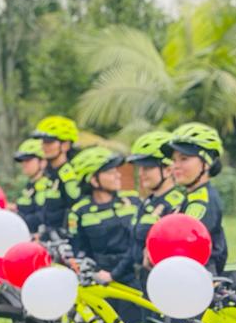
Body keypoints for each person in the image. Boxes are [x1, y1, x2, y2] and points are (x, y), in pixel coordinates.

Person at [115, 130, 184, 289]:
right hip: (142, 282)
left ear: (167, 170)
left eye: (147, 168)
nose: (141, 174)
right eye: (140, 168)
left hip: (165, 285)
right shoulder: (146, 202)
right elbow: (133, 247)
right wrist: (113, 274)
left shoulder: (176, 204)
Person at [66, 146, 139, 288]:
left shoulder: (133, 201)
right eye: (111, 172)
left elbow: (137, 243)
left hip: (132, 277)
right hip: (99, 280)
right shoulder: (79, 211)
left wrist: (116, 273)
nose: (118, 175)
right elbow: (78, 249)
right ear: (93, 180)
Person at [161, 122, 228, 274]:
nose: (175, 166)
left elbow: (185, 244)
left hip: (195, 280)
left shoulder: (202, 200)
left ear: (206, 163)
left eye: (184, 159)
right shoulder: (192, 196)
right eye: (174, 160)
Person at [31, 115, 80, 237]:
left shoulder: (69, 174)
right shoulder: (48, 173)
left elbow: (75, 207)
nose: (44, 146)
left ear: (65, 145)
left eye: (49, 142)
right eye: (43, 142)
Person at [12, 139, 48, 234]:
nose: (24, 164)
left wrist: (16, 220)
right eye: (22, 161)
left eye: (28, 160)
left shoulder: (46, 185)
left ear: (42, 162)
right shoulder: (30, 184)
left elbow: (41, 216)